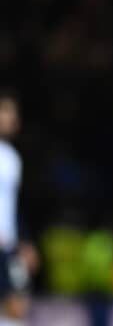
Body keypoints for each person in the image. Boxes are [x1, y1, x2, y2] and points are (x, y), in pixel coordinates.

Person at [0, 89, 39, 325]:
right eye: (5, 111)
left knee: (17, 305)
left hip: (8, 246)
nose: (11, 117)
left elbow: (13, 205)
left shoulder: (13, 158)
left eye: (13, 112)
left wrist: (24, 241)